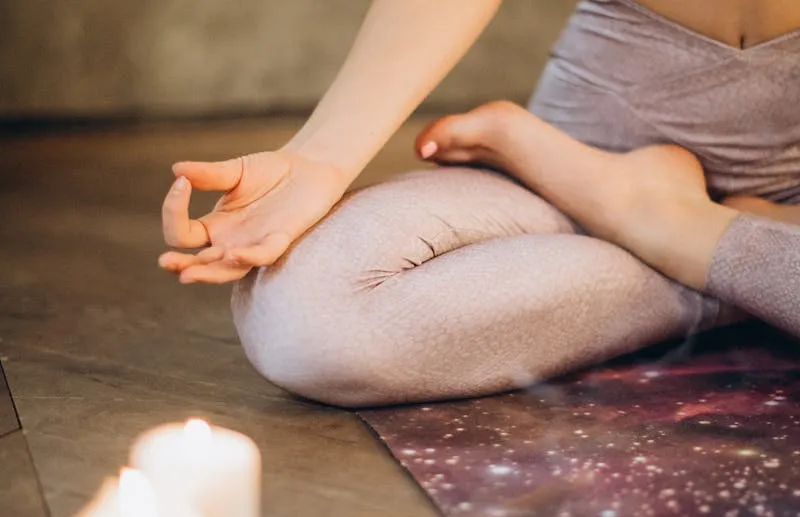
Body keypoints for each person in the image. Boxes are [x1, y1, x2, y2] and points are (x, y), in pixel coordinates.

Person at [158, 0, 800, 407]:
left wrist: (708, 237)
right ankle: (725, 252)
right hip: (584, 157)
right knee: (299, 320)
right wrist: (324, 156)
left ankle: (676, 227)